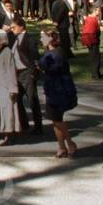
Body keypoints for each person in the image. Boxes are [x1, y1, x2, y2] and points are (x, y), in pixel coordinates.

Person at [38, 28, 78, 158]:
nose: (40, 39)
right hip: (52, 89)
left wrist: (40, 66)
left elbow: (50, 67)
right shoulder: (50, 52)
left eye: (43, 37)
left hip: (59, 90)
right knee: (55, 120)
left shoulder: (56, 53)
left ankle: (70, 143)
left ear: (50, 38)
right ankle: (61, 147)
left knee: (57, 119)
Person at [0, 29, 21, 146]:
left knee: (7, 111)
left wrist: (13, 88)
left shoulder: (7, 52)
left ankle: (8, 135)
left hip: (5, 88)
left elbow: (11, 72)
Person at [10, 16, 43, 135]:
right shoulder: (15, 39)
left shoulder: (29, 39)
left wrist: (34, 72)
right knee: (17, 99)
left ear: (21, 27)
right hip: (18, 73)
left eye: (14, 27)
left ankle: (38, 126)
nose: (12, 29)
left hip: (27, 71)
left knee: (32, 99)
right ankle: (24, 124)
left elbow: (34, 56)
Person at [81, 5, 103, 79]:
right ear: (94, 11)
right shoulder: (91, 19)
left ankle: (97, 73)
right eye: (98, 11)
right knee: (95, 58)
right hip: (92, 41)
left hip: (92, 41)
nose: (99, 12)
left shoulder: (90, 19)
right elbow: (89, 32)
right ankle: (95, 74)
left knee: (95, 57)